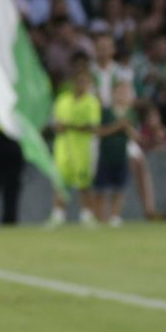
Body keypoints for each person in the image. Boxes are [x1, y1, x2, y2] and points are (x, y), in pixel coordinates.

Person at [47, 53, 102, 228]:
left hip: (83, 148)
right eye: (79, 81)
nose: (82, 85)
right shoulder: (62, 101)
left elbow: (93, 127)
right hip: (63, 148)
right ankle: (58, 215)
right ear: (73, 82)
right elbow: (55, 124)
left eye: (85, 82)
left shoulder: (91, 102)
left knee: (84, 184)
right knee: (60, 183)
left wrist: (69, 126)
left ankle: (86, 215)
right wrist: (59, 127)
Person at [92, 79, 137, 226]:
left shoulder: (131, 114)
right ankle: (98, 218)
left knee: (119, 189)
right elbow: (99, 132)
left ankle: (114, 217)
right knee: (100, 189)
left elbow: (135, 137)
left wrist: (127, 128)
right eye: (119, 92)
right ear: (113, 94)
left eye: (125, 92)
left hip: (121, 155)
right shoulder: (105, 112)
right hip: (105, 155)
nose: (122, 95)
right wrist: (117, 126)